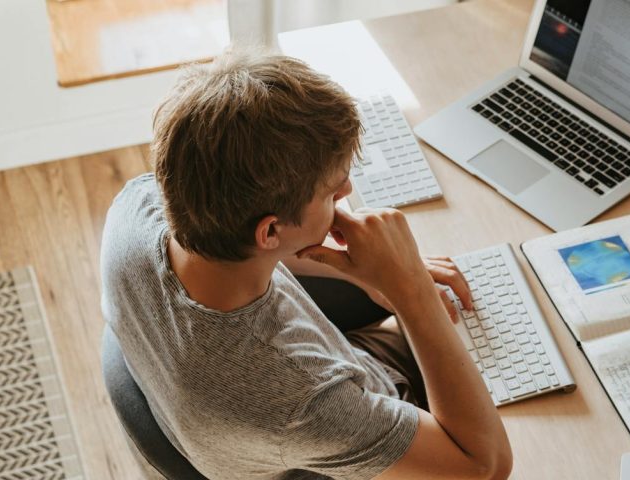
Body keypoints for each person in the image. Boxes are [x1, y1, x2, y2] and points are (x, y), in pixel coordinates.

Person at [99, 50, 512, 479]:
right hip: (334, 431)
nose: (348, 189)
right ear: (270, 233)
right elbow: (485, 467)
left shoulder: (137, 206)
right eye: (333, 192)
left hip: (258, 413)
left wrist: (376, 271)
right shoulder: (302, 400)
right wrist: (412, 293)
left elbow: (247, 245)